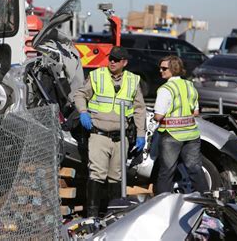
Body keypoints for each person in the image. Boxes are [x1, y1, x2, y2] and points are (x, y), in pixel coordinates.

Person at [74, 46, 146, 217]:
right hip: (99, 134)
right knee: (97, 174)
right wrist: (83, 112)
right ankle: (92, 215)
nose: (112, 62)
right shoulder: (97, 76)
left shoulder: (133, 80)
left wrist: (141, 134)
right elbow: (80, 95)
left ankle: (113, 216)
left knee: (116, 176)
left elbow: (139, 109)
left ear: (124, 62)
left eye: (116, 59)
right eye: (110, 58)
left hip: (121, 137)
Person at [153, 55, 208, 194]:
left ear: (173, 69)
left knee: (166, 172)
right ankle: (207, 201)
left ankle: (162, 205)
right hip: (191, 134)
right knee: (195, 169)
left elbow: (158, 116)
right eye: (160, 68)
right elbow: (195, 112)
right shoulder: (190, 86)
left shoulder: (165, 89)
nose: (160, 70)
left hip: (171, 135)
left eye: (164, 68)